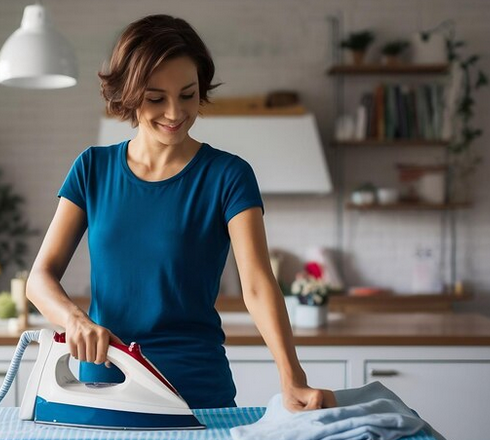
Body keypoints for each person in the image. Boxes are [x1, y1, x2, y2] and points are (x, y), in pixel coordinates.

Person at [26, 14, 336, 411]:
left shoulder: (229, 176)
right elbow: (40, 278)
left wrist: (293, 378)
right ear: (129, 94)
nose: (174, 113)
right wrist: (74, 319)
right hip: (105, 389)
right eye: (156, 98)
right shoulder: (92, 169)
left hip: (197, 392)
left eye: (187, 95)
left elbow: (257, 285)